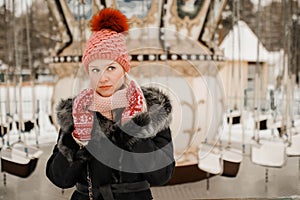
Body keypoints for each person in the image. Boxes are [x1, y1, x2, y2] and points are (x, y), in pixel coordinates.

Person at [46, 8, 175, 200]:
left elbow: (162, 175)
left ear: (124, 70)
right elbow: (60, 179)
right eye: (95, 69)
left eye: (111, 68)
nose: (103, 77)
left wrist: (135, 129)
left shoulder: (151, 110)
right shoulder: (77, 112)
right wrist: (77, 140)